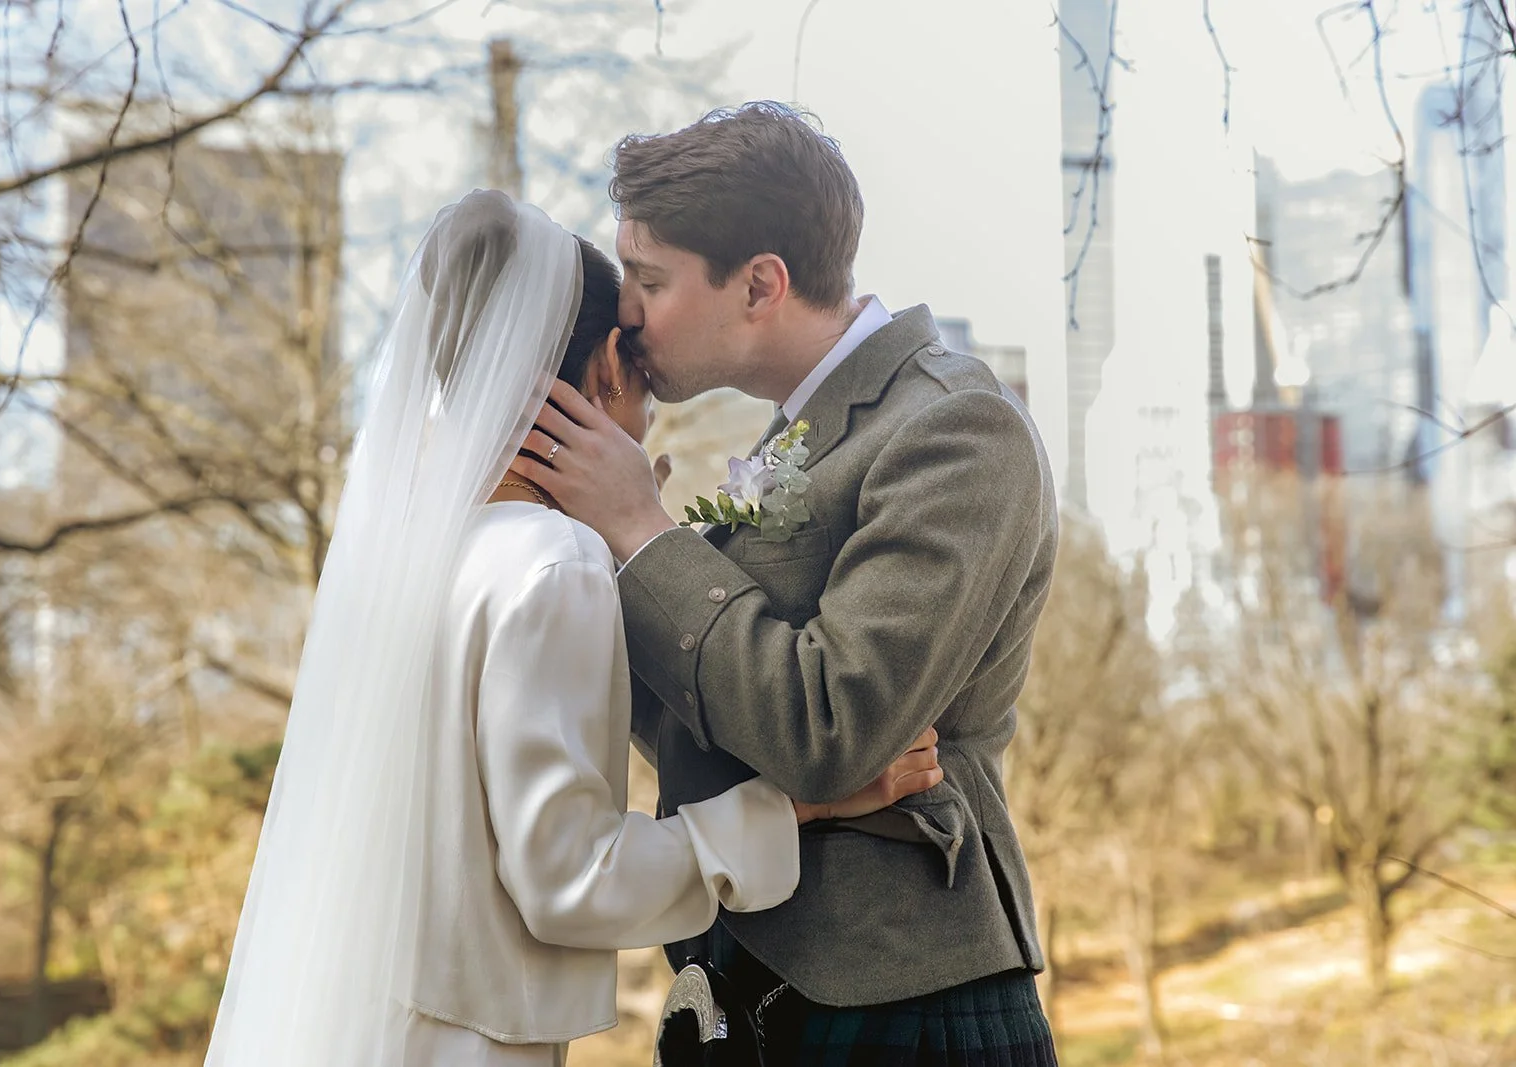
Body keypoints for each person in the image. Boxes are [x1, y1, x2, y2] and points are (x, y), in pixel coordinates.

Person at [202, 190, 943, 1067]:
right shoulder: (552, 565)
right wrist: (802, 806)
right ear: (604, 374)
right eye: (635, 360)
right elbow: (570, 879)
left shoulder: (418, 558)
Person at [521, 103, 1062, 1065]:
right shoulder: (787, 442)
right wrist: (594, 550)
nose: (630, 316)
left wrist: (643, 535)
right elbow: (709, 720)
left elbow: (831, 728)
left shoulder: (956, 428)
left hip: (900, 1003)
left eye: (650, 280)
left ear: (761, 283)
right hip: (738, 996)